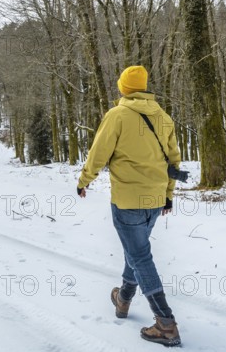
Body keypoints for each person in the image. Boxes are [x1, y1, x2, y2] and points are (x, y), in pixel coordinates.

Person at [77, 65, 181, 347]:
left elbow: (99, 153)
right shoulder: (163, 117)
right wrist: (168, 195)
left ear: (124, 88)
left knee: (140, 256)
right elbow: (174, 162)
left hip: (127, 201)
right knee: (135, 250)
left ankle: (165, 323)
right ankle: (123, 300)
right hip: (155, 200)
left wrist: (84, 180)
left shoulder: (117, 115)